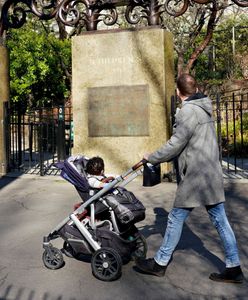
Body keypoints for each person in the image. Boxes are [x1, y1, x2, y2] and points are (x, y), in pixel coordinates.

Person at [135, 74, 244, 283]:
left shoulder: (188, 112)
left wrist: (152, 158)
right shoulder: (204, 107)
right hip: (210, 173)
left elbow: (176, 143)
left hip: (196, 176)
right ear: (196, 88)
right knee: (220, 220)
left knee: (175, 218)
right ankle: (234, 266)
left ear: (178, 92)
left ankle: (159, 263)